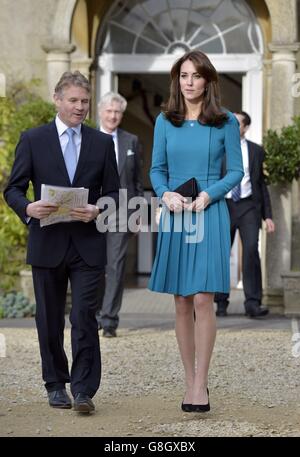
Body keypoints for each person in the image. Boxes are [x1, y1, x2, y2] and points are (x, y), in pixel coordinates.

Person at [4, 71, 120, 413]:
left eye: (85, 101)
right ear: (57, 100)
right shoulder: (33, 139)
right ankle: (55, 384)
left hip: (87, 243)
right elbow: (12, 188)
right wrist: (28, 207)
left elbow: (113, 192)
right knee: (50, 319)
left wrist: (99, 208)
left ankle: (83, 389)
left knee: (85, 316)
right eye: (73, 100)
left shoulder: (102, 143)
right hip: (47, 241)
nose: (80, 107)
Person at [148, 50, 244, 413]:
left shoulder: (225, 121)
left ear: (208, 80)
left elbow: (235, 171)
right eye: (183, 75)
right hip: (175, 213)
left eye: (196, 75)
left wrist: (208, 195)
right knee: (181, 300)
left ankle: (201, 384)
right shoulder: (164, 121)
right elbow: (156, 169)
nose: (189, 82)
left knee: (203, 298)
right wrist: (165, 193)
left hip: (208, 210)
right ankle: (188, 379)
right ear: (178, 80)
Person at [215, 111, 275, 318]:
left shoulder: (256, 151)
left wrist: (268, 216)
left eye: (236, 123)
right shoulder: (218, 149)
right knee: (222, 253)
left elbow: (261, 184)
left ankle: (252, 303)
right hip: (224, 205)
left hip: (249, 206)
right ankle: (221, 302)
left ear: (245, 127)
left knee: (250, 251)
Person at [96, 92, 143, 338]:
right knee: (91, 266)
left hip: (121, 212)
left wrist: (137, 213)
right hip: (90, 212)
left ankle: (110, 319)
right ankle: (92, 315)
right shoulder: (86, 137)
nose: (113, 116)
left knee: (115, 265)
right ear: (100, 112)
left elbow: (136, 181)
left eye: (117, 112)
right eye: (109, 111)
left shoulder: (131, 141)